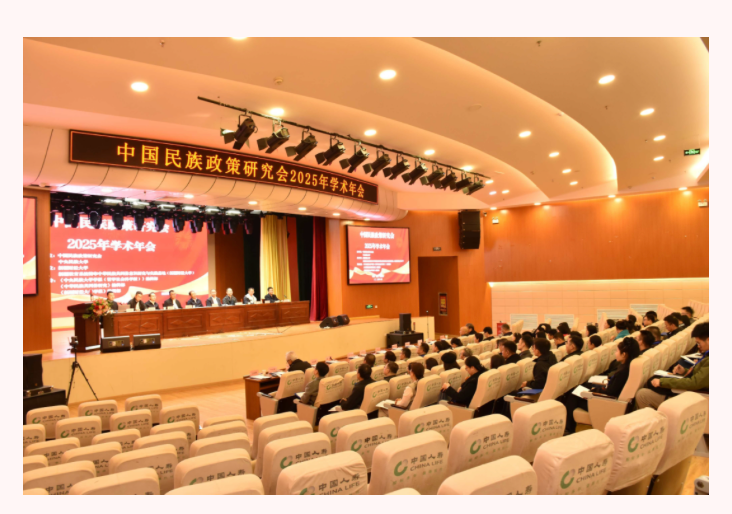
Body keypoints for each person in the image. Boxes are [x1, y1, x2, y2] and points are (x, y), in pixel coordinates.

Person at [563, 337, 641, 434]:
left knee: (573, 396)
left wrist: (591, 391)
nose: (615, 353)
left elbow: (610, 392)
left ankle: (569, 429)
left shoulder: (623, 371)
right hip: (608, 399)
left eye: (617, 351)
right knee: (579, 390)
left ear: (624, 354)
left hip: (605, 403)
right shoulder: (627, 366)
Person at [636, 322, 709, 410]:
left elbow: (694, 383)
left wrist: (662, 382)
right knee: (652, 381)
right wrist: (684, 371)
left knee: (642, 394)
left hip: (693, 397)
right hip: (691, 392)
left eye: (699, 343)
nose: (698, 346)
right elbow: (700, 377)